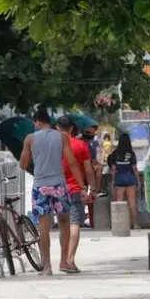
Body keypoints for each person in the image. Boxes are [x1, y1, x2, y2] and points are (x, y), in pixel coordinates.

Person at [19, 107, 84, 276]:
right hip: (59, 185)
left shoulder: (30, 139)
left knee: (44, 227)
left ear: (38, 122)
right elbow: (71, 162)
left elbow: (23, 164)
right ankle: (63, 261)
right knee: (64, 222)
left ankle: (47, 266)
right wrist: (82, 186)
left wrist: (36, 159)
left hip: (40, 186)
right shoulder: (62, 137)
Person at [58, 115, 95, 273]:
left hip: (59, 188)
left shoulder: (55, 146)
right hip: (75, 189)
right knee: (74, 223)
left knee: (62, 225)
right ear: (72, 128)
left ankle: (62, 259)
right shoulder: (81, 145)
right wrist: (91, 189)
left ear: (57, 129)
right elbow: (88, 170)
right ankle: (70, 260)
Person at [108, 132, 140, 229]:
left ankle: (120, 225)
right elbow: (135, 168)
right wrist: (138, 180)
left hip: (119, 179)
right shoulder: (131, 153)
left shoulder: (115, 153)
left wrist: (113, 182)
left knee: (119, 202)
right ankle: (135, 224)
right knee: (132, 203)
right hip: (130, 178)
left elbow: (113, 169)